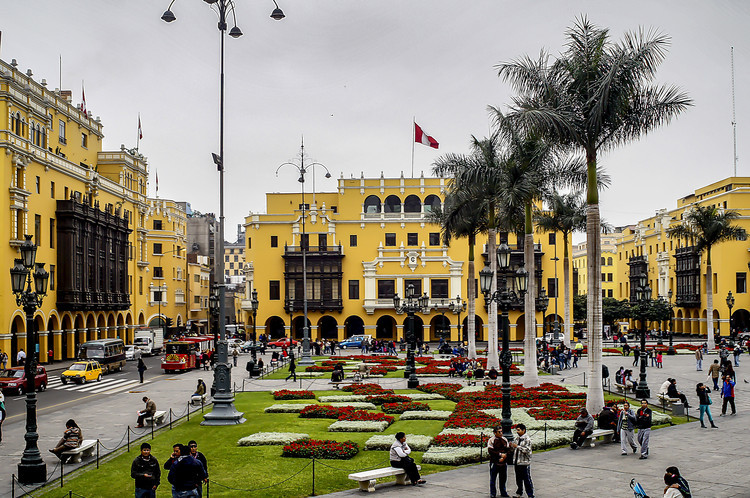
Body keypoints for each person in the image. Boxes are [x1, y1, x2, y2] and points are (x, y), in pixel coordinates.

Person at [510, 423, 534, 498]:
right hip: (517, 461)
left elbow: (527, 450)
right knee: (518, 479)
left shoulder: (527, 439)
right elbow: (514, 449)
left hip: (524, 462)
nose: (517, 432)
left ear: (523, 430)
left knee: (527, 479)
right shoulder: (517, 439)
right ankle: (519, 492)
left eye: (519, 430)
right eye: (516, 430)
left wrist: (517, 446)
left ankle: (530, 494)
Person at [487, 426, 509, 498]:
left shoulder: (504, 439)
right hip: (494, 462)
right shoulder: (491, 440)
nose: (501, 433)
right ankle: (493, 493)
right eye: (499, 432)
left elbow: (508, 450)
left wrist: (504, 456)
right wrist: (500, 455)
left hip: (503, 462)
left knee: (503, 478)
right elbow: (491, 451)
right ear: (495, 433)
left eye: (501, 431)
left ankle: (503, 491)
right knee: (493, 478)